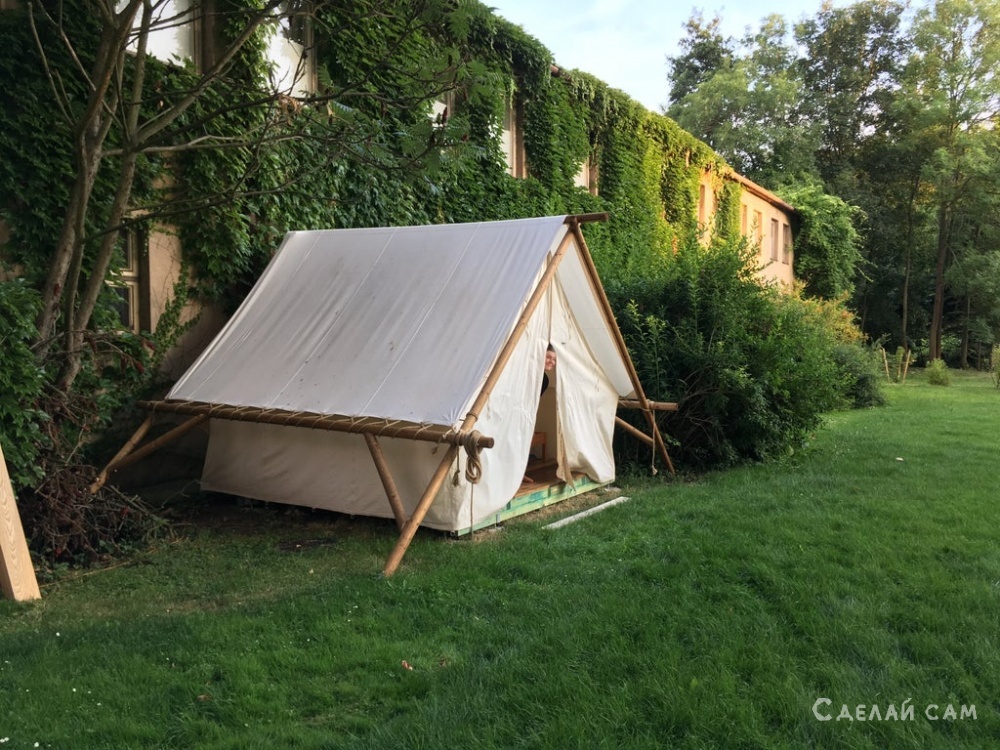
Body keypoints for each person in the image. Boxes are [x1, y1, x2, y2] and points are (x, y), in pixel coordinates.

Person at [524, 344, 556, 484]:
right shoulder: (527, 372)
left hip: (527, 415)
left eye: (554, 360)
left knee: (523, 444)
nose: (551, 362)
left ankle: (519, 474)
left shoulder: (545, 380)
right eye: (548, 357)